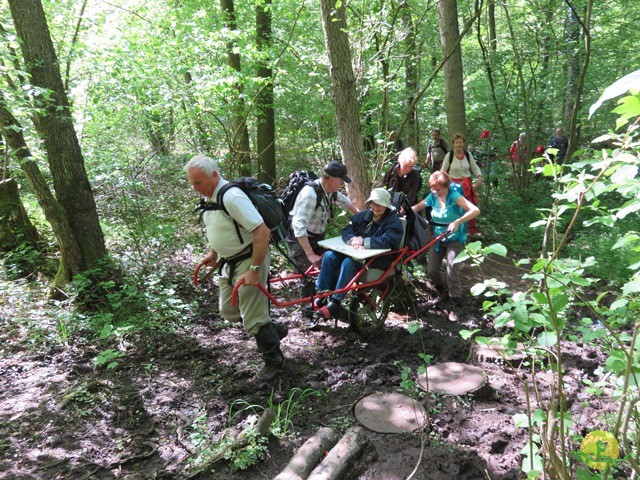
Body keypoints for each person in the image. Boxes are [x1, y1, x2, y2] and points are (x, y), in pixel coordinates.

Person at [185, 154, 287, 380]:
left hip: (249, 259)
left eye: (198, 182)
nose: (195, 188)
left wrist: (254, 269)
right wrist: (213, 253)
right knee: (229, 311)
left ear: (214, 175)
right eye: (192, 182)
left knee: (253, 317)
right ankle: (271, 330)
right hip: (228, 262)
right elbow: (218, 226)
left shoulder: (232, 197)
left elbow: (262, 232)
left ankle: (274, 361)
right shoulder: (210, 197)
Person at [309, 188, 404, 325]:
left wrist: (364, 242)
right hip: (356, 253)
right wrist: (353, 239)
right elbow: (347, 229)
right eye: (373, 203)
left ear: (386, 205)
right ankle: (321, 295)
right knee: (329, 256)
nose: (375, 207)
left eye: (379, 204)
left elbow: (389, 240)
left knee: (349, 263)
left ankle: (336, 301)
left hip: (377, 258)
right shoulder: (365, 215)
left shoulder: (393, 221)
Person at [412, 171, 480, 307]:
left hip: (455, 238)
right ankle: (442, 288)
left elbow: (475, 210)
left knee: (451, 269)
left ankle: (456, 298)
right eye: (433, 189)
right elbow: (419, 206)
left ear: (446, 186)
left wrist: (457, 222)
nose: (436, 192)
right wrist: (403, 212)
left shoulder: (454, 196)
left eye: (439, 189)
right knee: (432, 269)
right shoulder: (433, 196)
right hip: (439, 238)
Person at [286, 161, 359, 280]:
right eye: (341, 181)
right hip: (301, 241)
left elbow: (345, 202)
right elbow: (298, 226)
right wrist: (310, 255)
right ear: (331, 180)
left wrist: (361, 216)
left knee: (329, 270)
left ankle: (324, 297)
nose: (341, 184)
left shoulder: (329, 191)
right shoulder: (310, 195)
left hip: (317, 239)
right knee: (308, 279)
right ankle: (309, 298)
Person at [440, 132, 482, 236]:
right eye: (457, 142)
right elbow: (443, 171)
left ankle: (473, 231)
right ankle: (455, 230)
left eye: (461, 142)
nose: (459, 144)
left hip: (466, 184)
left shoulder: (468, 154)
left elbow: (475, 167)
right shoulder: (449, 156)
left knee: (470, 206)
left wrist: (479, 177)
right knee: (455, 207)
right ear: (453, 143)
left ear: (463, 143)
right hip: (453, 185)